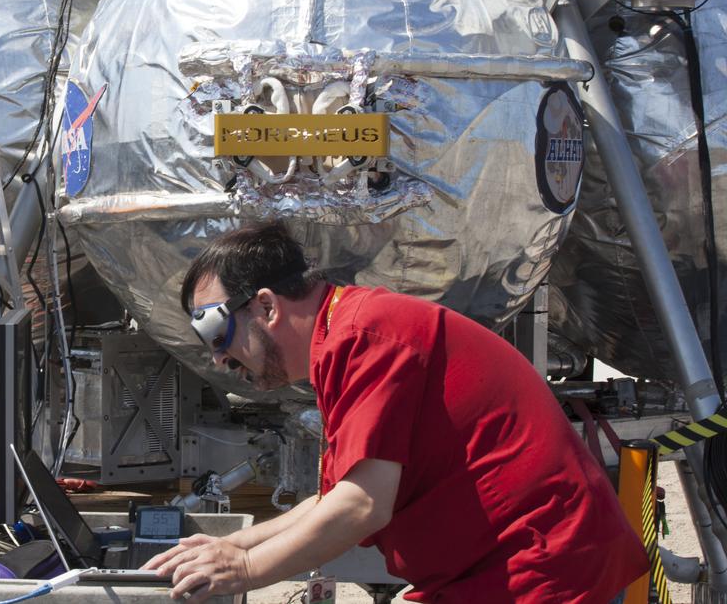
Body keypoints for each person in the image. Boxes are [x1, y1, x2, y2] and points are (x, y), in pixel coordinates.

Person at [146, 221, 648, 604]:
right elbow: (336, 497)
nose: (216, 357)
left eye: (215, 332)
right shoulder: (348, 333)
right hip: (506, 571)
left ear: (266, 307)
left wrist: (247, 572)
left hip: (534, 574)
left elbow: (362, 507)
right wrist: (238, 547)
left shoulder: (365, 337)